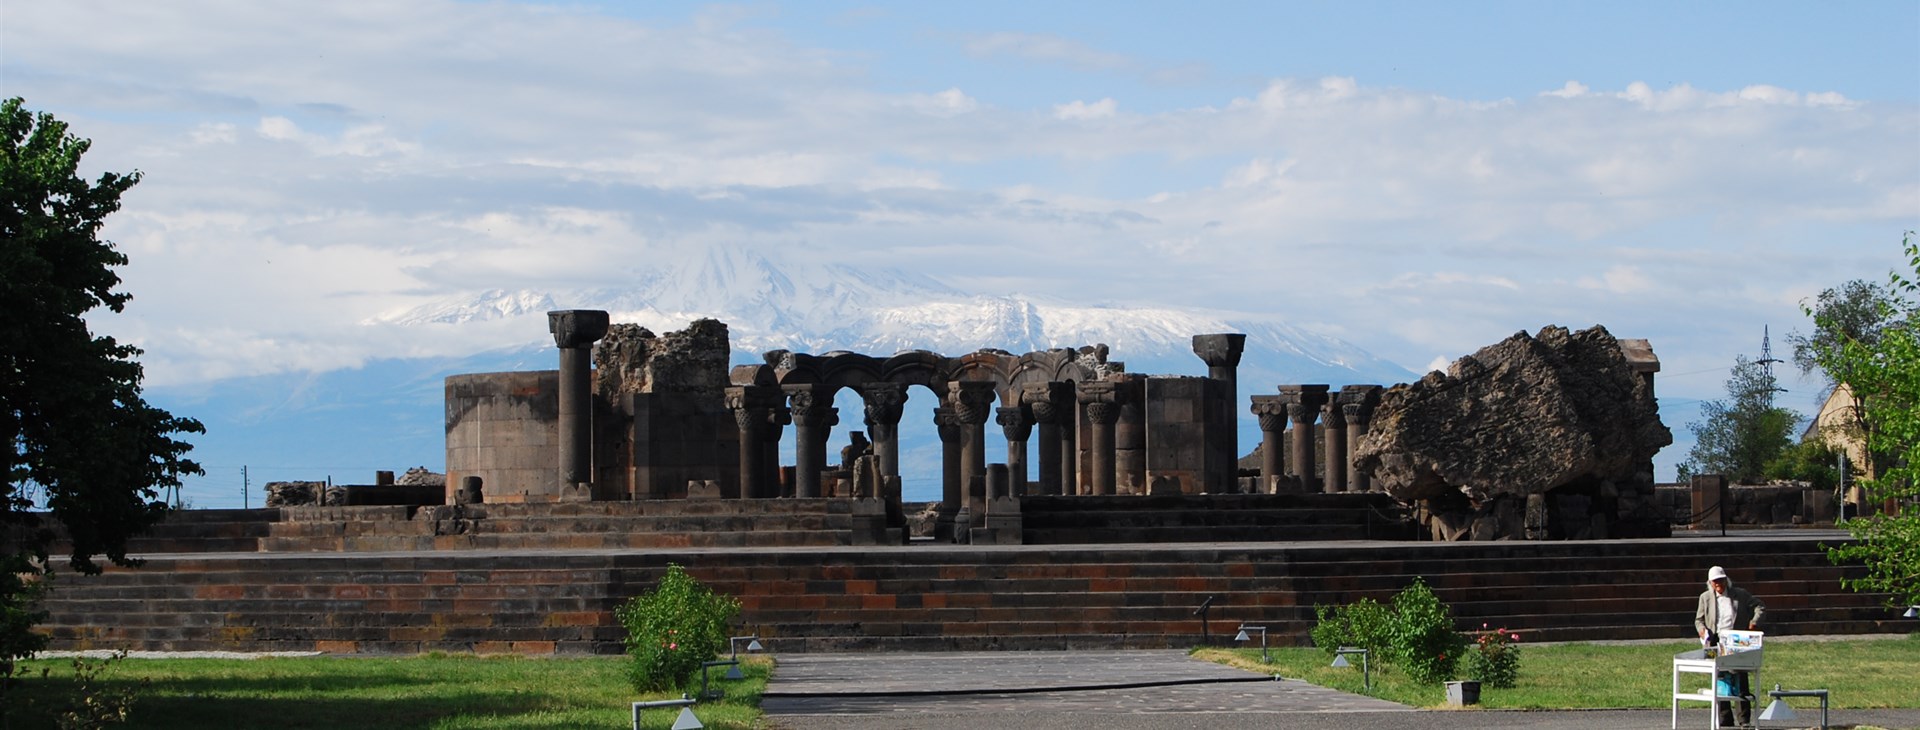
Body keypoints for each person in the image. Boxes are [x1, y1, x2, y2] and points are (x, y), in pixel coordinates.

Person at [1694, 565, 1766, 727]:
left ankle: (1744, 719)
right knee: (1719, 679)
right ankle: (1724, 719)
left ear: (1726, 580)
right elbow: (1698, 619)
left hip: (1735, 641)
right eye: (1715, 582)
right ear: (1710, 583)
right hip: (1714, 642)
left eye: (1720, 580)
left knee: (1739, 677)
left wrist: (1754, 622)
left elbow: (1759, 606)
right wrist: (1702, 630)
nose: (1718, 584)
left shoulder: (1740, 595)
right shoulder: (1705, 598)